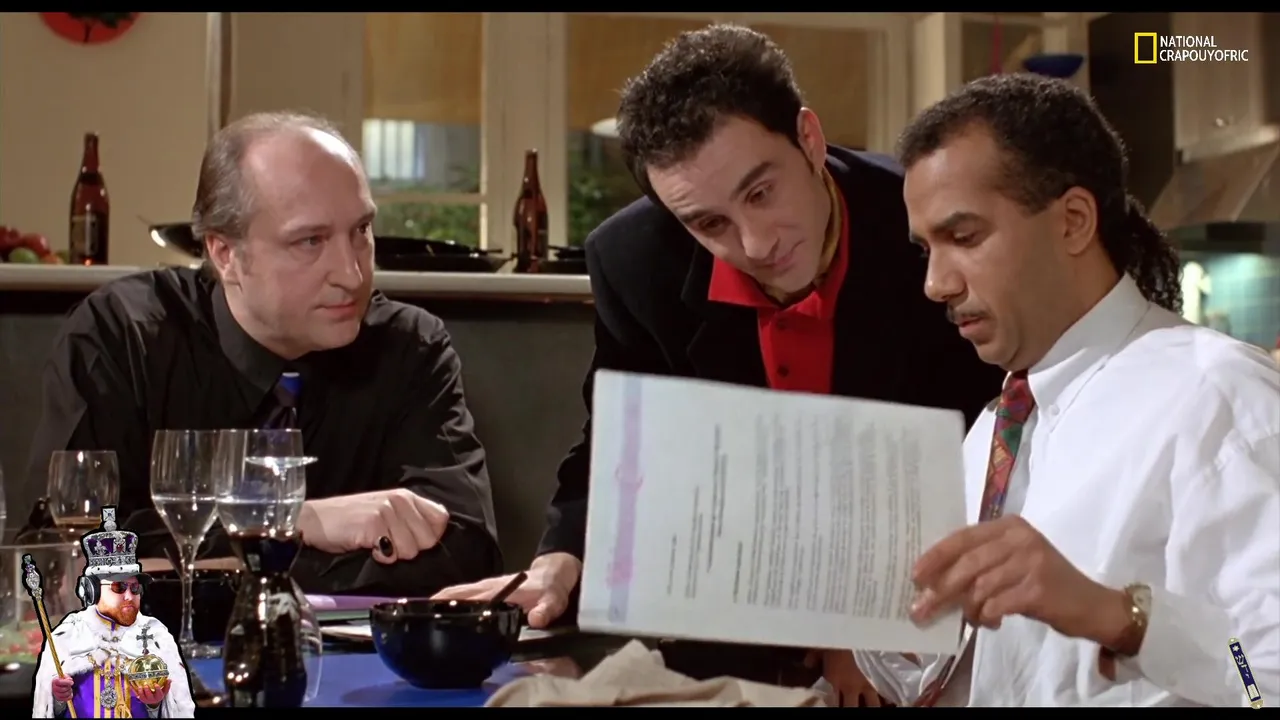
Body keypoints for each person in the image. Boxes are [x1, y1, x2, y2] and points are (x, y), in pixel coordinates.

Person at [434, 24, 1004, 695]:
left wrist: (871, 628)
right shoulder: (636, 262)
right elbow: (621, 442)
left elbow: (992, 446)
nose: (756, 243)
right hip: (734, 615)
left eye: (761, 192)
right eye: (709, 224)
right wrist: (559, 559)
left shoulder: (924, 223)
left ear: (809, 139)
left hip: (937, 600)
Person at [848, 73, 1280, 706]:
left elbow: (1263, 679)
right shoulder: (993, 430)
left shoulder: (1218, 397)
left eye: (964, 237)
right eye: (926, 250)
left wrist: (1122, 619)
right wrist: (884, 605)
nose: (935, 284)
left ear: (1073, 221)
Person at [26, 112, 501, 597]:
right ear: (225, 254)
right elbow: (65, 556)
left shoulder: (410, 347)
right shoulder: (123, 336)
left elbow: (465, 553)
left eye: (361, 230)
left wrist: (215, 561)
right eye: (311, 241)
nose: (352, 275)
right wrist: (292, 522)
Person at [33, 507, 195, 718]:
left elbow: (174, 709)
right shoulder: (68, 636)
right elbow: (46, 709)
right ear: (92, 591)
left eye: (135, 588)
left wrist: (154, 705)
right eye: (119, 587)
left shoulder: (156, 637)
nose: (129, 596)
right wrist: (57, 697)